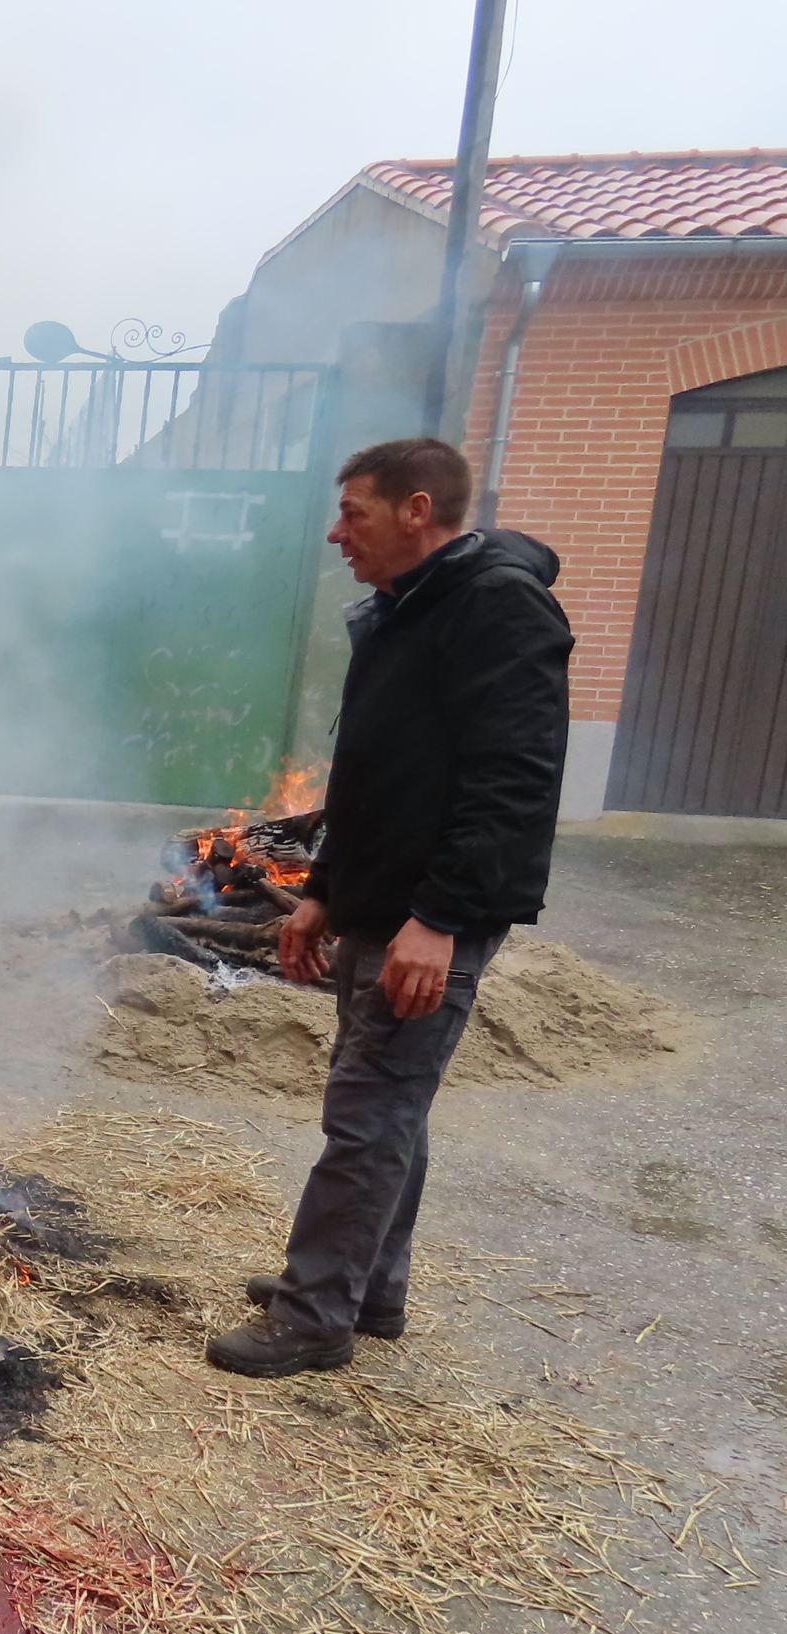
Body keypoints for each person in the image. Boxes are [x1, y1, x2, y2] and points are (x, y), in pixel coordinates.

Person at [207, 438, 572, 1378]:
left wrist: (442, 921)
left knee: (367, 1114)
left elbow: (514, 783)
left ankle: (315, 1316)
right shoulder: (410, 607)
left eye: (353, 514)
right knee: (387, 1104)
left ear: (417, 510)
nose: (337, 535)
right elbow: (370, 771)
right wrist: (321, 893)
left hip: (429, 914)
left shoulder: (499, 608)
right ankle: (368, 1288)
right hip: (379, 899)